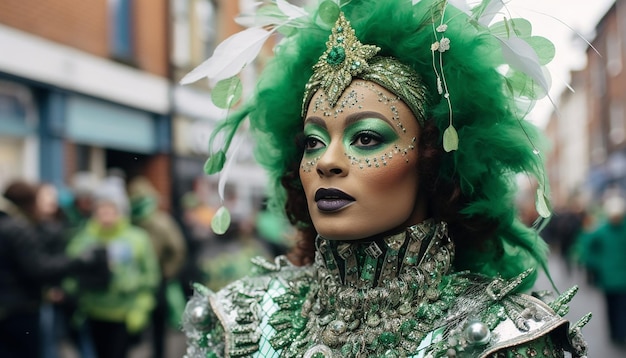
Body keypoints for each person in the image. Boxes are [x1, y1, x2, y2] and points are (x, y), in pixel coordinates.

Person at [181, 1, 590, 357]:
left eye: (366, 138)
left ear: (431, 161)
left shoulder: (499, 337)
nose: (327, 161)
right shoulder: (242, 317)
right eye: (312, 142)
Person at [0, 179, 108, 358]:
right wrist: (80, 261)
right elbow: (39, 268)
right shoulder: (19, 228)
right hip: (21, 307)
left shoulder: (12, 225)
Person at [64, 176, 160, 358]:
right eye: (101, 208)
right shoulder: (84, 238)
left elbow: (151, 278)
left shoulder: (137, 238)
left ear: (121, 211)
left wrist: (140, 310)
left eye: (111, 208)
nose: (106, 213)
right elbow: (70, 271)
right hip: (92, 313)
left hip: (124, 315)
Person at [128, 176, 187, 358]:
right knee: (148, 323)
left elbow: (177, 250)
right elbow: (178, 250)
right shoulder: (134, 222)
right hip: (142, 279)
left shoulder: (158, 222)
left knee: (154, 321)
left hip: (153, 278)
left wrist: (166, 273)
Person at [578, 193, 626, 346]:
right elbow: (586, 246)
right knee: (611, 306)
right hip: (609, 277)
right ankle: (615, 333)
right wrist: (596, 262)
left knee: (621, 306)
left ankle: (619, 333)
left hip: (621, 277)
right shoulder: (601, 230)